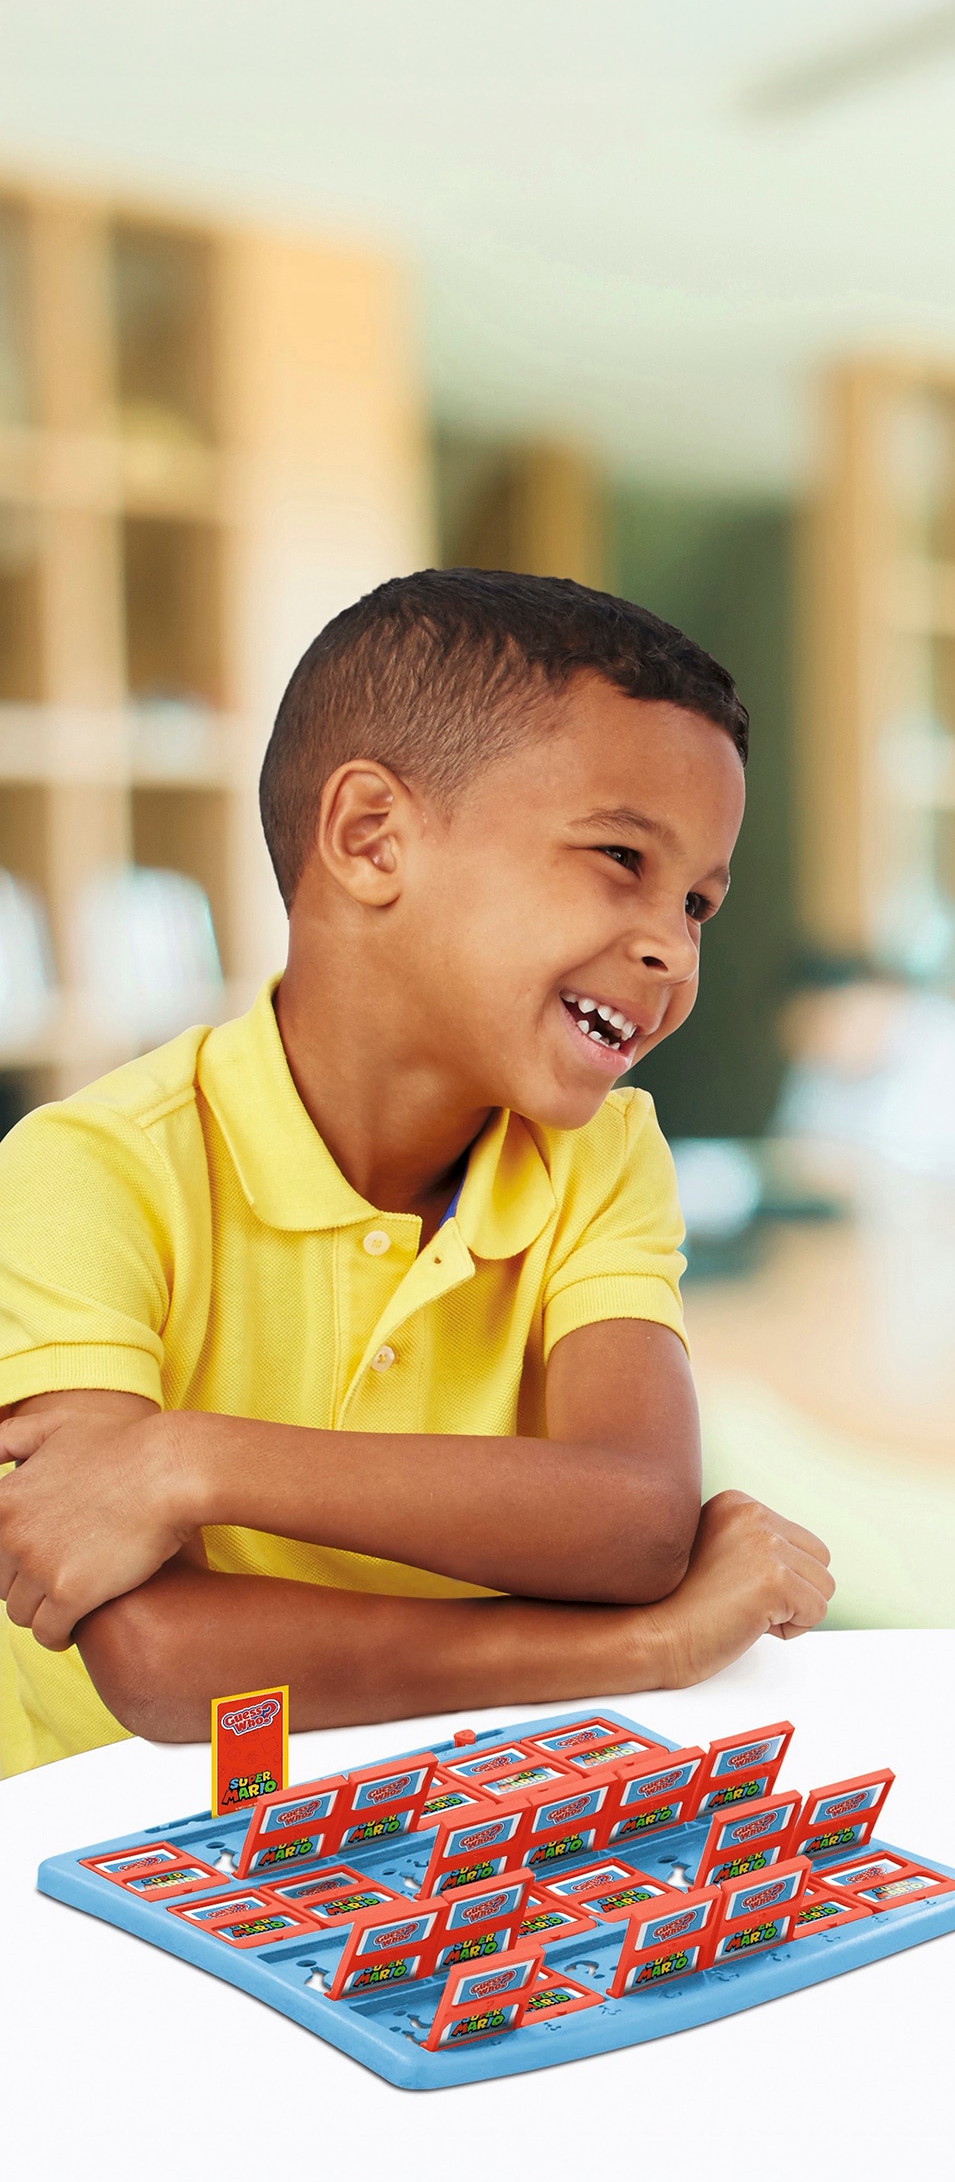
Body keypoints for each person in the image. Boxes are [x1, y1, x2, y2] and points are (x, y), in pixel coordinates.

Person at [0, 570, 832, 1776]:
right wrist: (640, 1647)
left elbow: (637, 1520)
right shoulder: (88, 1173)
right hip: (111, 1849)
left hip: (455, 1814)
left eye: (698, 901)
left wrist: (192, 1460)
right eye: (619, 857)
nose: (672, 943)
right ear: (371, 838)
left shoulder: (600, 1155)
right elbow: (162, 1660)